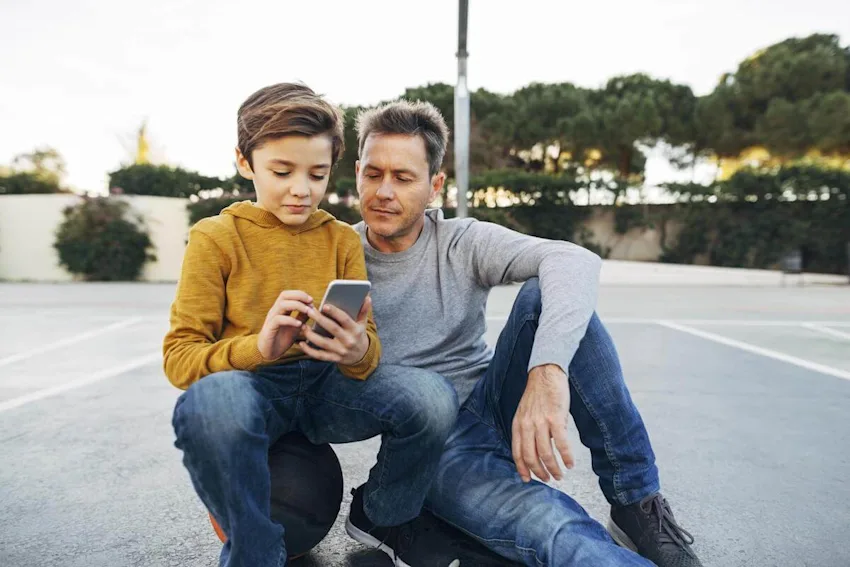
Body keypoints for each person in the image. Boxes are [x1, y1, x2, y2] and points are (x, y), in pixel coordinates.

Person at [350, 100, 704, 567]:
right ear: (357, 173)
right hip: (438, 445)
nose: (384, 191)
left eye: (403, 177)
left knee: (545, 295)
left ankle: (636, 500)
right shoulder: (338, 254)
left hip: (498, 400)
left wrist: (546, 371)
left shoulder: (461, 241)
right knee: (559, 533)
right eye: (373, 174)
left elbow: (573, 259)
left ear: (435, 186)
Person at [163, 83, 459, 567]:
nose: (301, 189)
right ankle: (254, 552)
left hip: (326, 387)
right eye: (282, 172)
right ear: (244, 162)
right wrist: (260, 347)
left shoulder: (341, 240)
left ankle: (385, 517)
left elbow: (368, 352)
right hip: (254, 389)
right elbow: (180, 359)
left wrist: (357, 349)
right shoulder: (214, 238)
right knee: (211, 402)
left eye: (317, 174)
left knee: (432, 398)